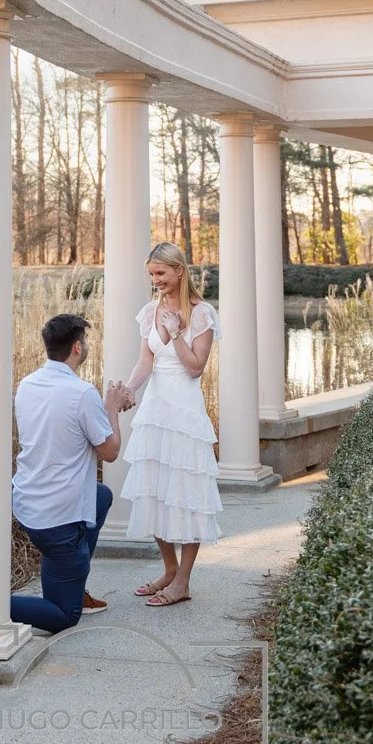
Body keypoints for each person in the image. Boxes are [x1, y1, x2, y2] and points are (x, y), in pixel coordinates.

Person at [120, 242, 222, 606]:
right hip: (155, 411)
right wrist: (129, 390)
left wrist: (177, 332)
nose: (156, 280)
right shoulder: (149, 312)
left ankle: (183, 581)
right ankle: (168, 568)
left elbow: (195, 367)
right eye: (151, 274)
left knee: (186, 492)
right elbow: (145, 361)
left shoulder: (202, 314)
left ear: (179, 270)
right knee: (155, 489)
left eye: (161, 273)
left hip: (184, 411)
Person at [10, 313, 124, 634]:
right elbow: (111, 451)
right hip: (58, 520)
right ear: (77, 347)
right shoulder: (82, 393)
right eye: (85, 342)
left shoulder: (27, 384)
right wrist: (112, 410)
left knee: (101, 497)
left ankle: (75, 574)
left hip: (28, 505)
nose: (86, 346)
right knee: (64, 616)